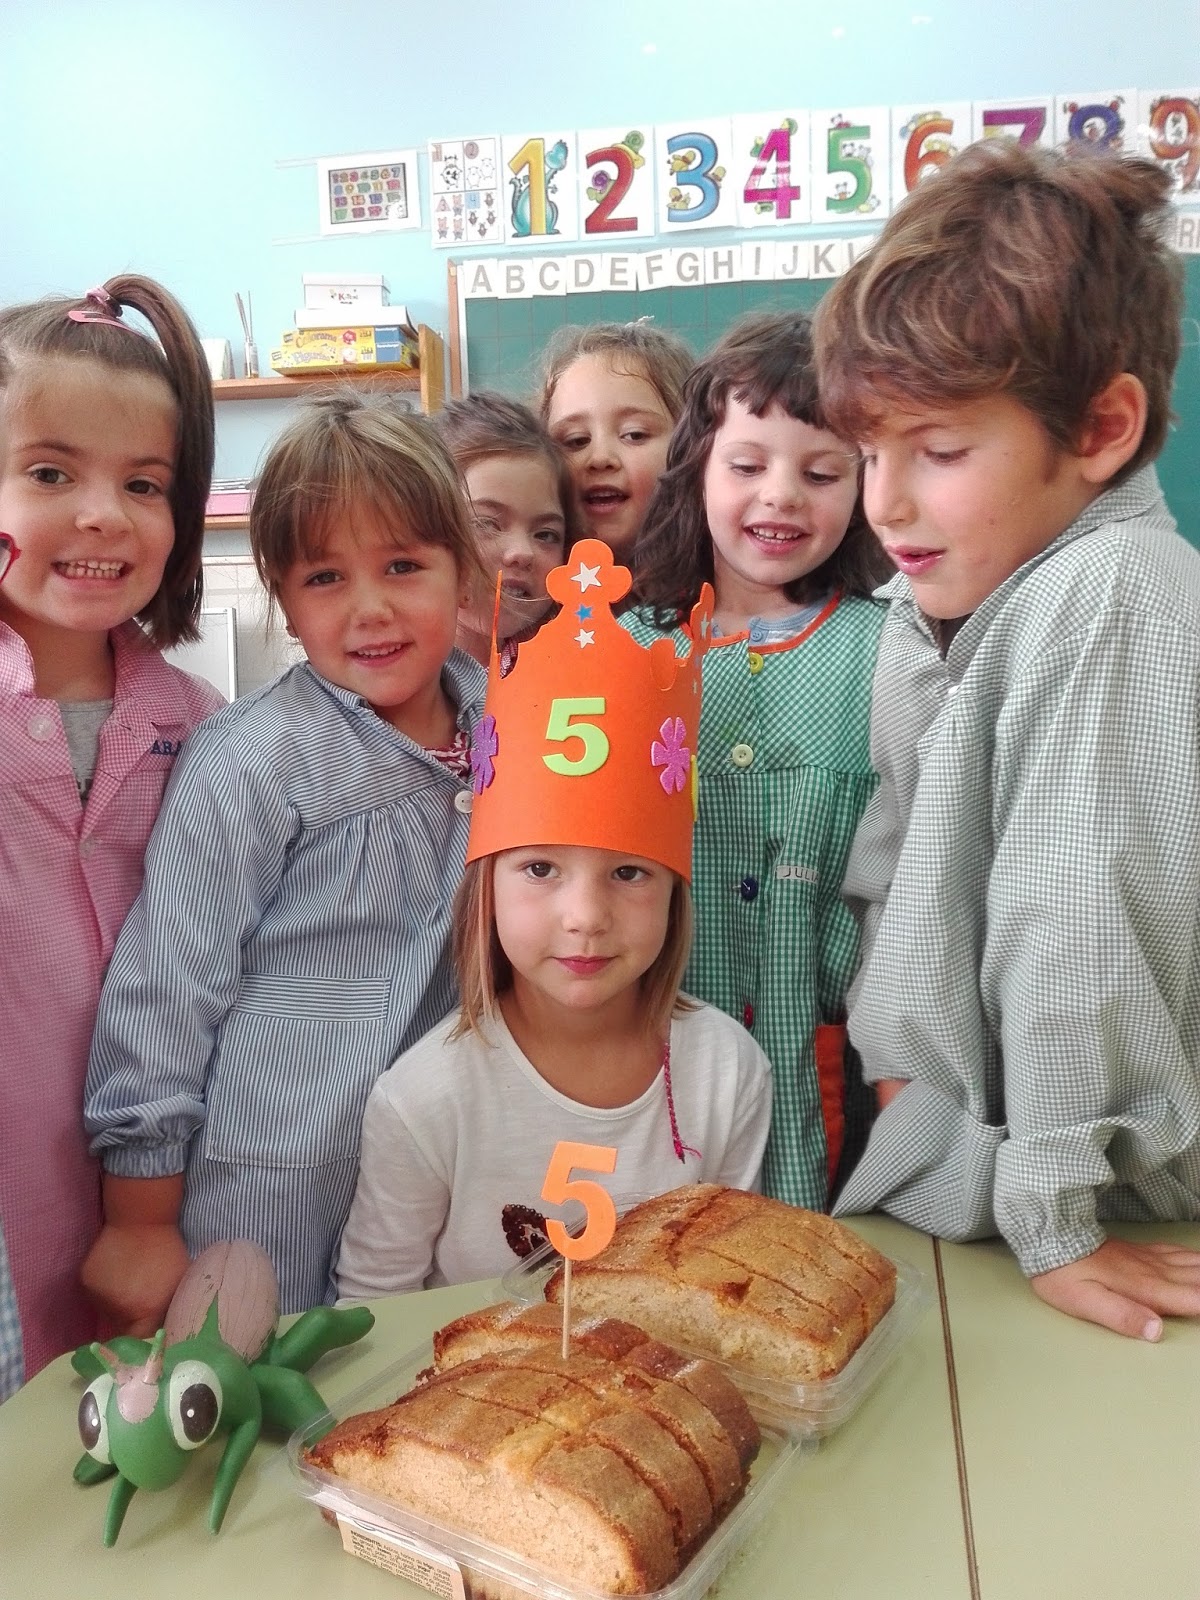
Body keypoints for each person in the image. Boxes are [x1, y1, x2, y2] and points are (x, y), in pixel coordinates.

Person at [815, 137, 1200, 1340]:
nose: (884, 502)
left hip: (1091, 1209)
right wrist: (907, 1087)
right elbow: (903, 867)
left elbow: (1079, 918)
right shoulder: (948, 598)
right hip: (982, 1180)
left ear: (1100, 428)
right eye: (869, 453)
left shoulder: (1111, 591)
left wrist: (1056, 1207)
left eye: (938, 452)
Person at [82, 390, 487, 1327]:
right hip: (274, 1190)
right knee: (258, 1393)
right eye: (325, 577)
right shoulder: (249, 760)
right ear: (282, 595)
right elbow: (167, 987)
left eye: (403, 566)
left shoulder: (511, 727)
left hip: (445, 1180)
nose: (371, 608)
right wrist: (141, 1217)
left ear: (461, 570)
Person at [334, 539, 772, 1298]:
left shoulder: (726, 1073)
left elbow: (725, 1288)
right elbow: (376, 1310)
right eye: (540, 869)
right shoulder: (426, 1099)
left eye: (629, 872)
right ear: (487, 885)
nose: (586, 917)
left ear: (675, 889)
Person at [0, 276, 223, 1379]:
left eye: (144, 483)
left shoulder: (204, 726)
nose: (103, 514)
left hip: (161, 1196)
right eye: (50, 474)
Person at [624, 312, 889, 1213]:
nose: (781, 497)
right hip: (650, 1043)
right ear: (697, 467)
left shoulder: (887, 650)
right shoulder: (629, 649)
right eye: (747, 466)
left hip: (825, 1048)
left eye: (821, 473)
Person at [434, 391, 580, 664]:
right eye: (486, 523)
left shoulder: (565, 667)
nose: (522, 552)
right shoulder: (390, 674)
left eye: (545, 535)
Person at [540, 322, 693, 558]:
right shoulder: (521, 575)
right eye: (576, 440)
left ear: (690, 446)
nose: (600, 459)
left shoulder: (725, 576)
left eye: (634, 435)